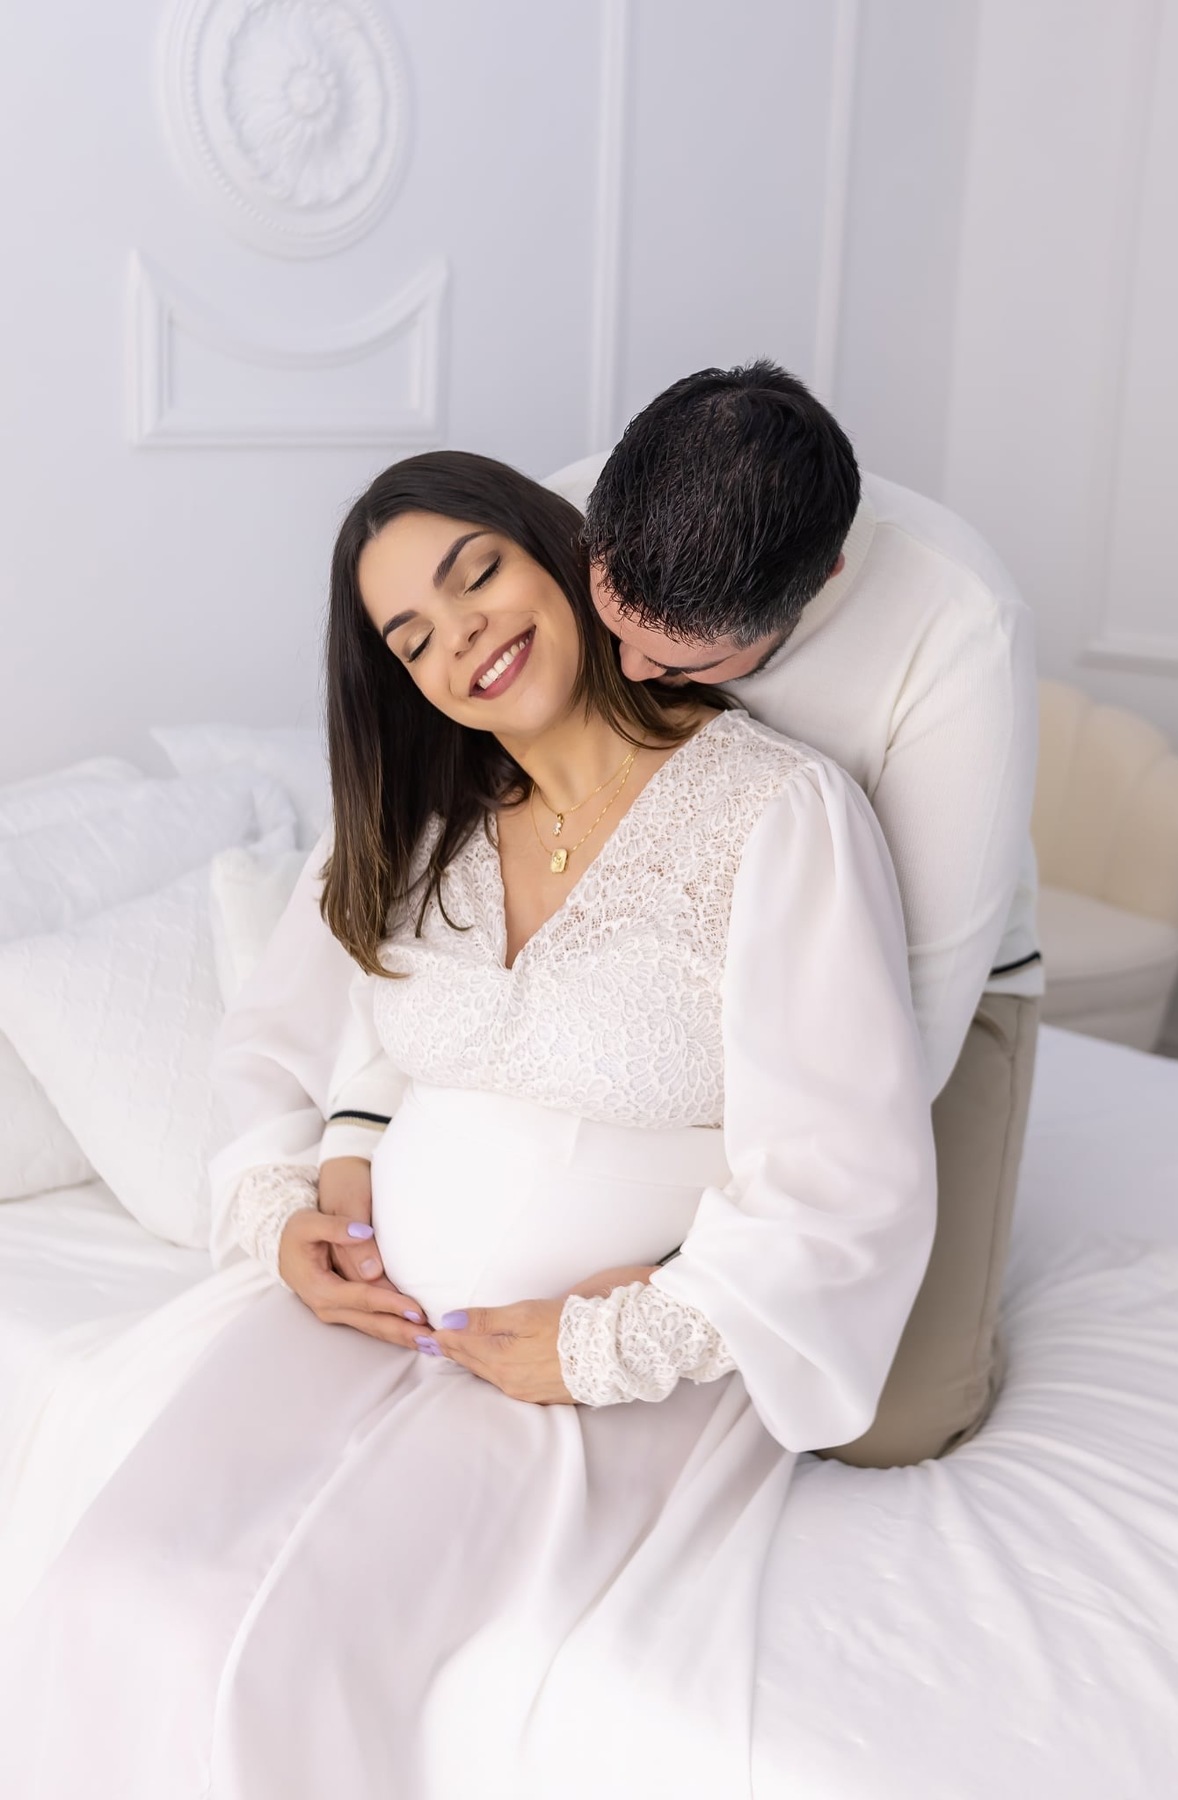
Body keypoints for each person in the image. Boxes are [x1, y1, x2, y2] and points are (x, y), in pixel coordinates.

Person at [0, 452, 935, 1799]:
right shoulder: (421, 826)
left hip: (611, 1374)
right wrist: (289, 1215)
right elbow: (285, 1048)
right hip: (369, 1320)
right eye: (411, 637)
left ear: (559, 551)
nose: (462, 638)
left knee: (272, 1657)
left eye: (476, 573)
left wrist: (610, 1342)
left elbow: (846, 1173)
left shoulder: (773, 812)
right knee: (111, 1579)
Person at [557, 360, 1042, 1465]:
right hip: (655, 949)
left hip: (906, 996)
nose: (626, 670)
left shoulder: (962, 631)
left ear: (820, 583)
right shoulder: (569, 508)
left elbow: (911, 1023)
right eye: (614, 626)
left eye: (679, 662)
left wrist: (696, 1269)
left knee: (886, 1426)